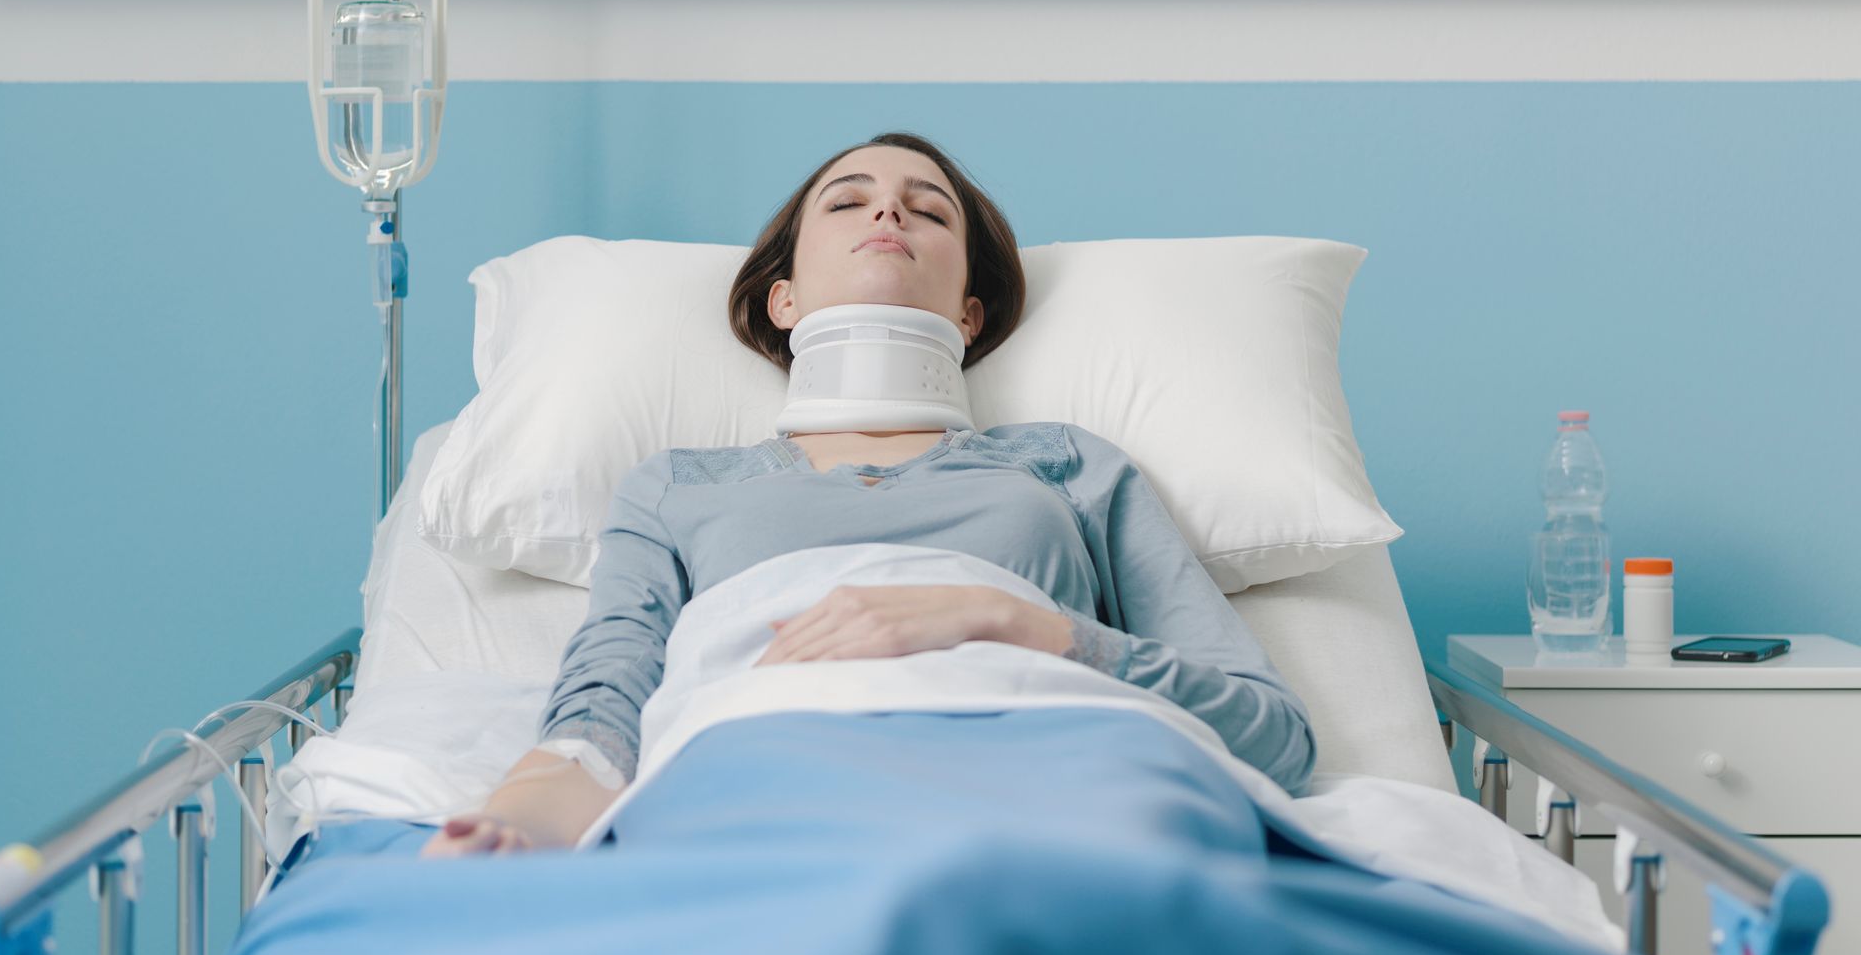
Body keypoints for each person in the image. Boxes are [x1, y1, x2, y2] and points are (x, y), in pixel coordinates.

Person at [422, 132, 1315, 858]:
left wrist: (1007, 621)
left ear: (969, 315)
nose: (889, 209)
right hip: (768, 768)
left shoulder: (1067, 467)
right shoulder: (676, 485)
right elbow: (605, 701)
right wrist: (525, 821)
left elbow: (1271, 733)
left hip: (1054, 771)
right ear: (782, 300)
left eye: (929, 210)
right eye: (847, 201)